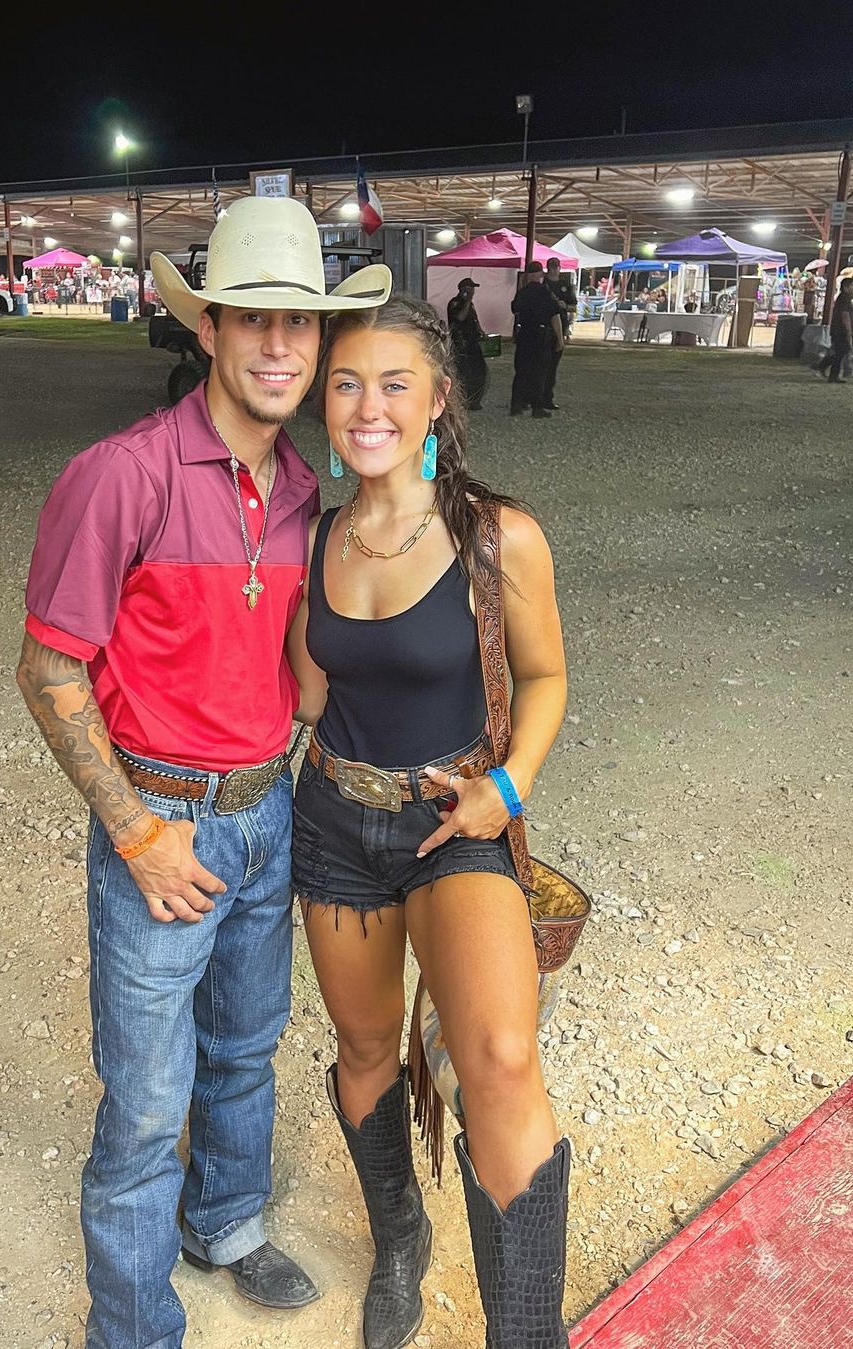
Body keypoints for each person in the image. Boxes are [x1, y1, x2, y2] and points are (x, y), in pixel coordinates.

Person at [16, 195, 391, 1349]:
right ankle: (132, 1328)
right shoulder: (120, 475)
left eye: (301, 322)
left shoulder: (301, 492)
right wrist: (136, 832)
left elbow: (300, 677)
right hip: (161, 817)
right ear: (208, 328)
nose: (280, 344)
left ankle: (223, 1220)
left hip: (265, 809)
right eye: (254, 318)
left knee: (243, 1047)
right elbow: (48, 667)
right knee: (142, 1106)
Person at [287, 292, 572, 1349]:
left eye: (394, 384)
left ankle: (526, 1332)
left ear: (439, 398)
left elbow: (545, 677)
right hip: (335, 824)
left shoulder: (499, 535)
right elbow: (308, 697)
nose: (368, 407)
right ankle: (401, 1238)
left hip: (456, 823)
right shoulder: (316, 537)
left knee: (496, 1057)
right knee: (365, 1047)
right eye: (346, 384)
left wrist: (510, 785)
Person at [510, 261, 564, 417]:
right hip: (540, 336)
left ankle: (516, 404)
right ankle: (537, 407)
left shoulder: (523, 292)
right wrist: (560, 338)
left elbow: (515, 308)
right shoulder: (545, 292)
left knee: (521, 371)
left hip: (524, 334)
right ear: (540, 274)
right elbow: (555, 315)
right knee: (539, 372)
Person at [447, 278, 488, 410]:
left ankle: (474, 399)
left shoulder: (470, 304)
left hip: (472, 341)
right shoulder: (455, 303)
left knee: (479, 370)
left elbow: (474, 319)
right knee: (464, 372)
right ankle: (463, 400)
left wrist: (481, 331)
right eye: (470, 288)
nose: (473, 291)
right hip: (461, 343)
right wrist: (468, 300)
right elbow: (460, 317)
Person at [542, 258, 577, 411]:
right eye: (551, 267)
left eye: (556, 267)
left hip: (559, 328)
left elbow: (573, 307)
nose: (554, 270)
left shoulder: (566, 285)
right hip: (543, 327)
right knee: (540, 364)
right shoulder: (543, 284)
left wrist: (565, 306)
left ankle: (547, 397)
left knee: (552, 366)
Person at [815, 276, 853, 383]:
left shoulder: (844, 298)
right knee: (841, 352)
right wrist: (849, 330)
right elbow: (845, 315)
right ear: (846, 287)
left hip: (838, 330)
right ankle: (827, 370)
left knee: (840, 352)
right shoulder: (844, 299)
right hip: (840, 330)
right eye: (852, 286)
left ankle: (824, 368)